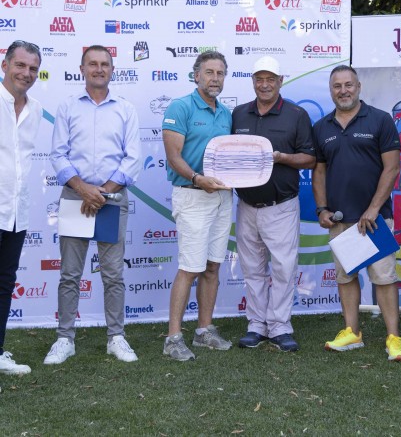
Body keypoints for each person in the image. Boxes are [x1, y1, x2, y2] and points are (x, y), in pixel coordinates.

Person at [44, 45, 141, 365]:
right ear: (82, 69)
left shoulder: (125, 109)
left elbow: (133, 158)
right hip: (76, 197)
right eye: (93, 64)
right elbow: (58, 154)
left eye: (105, 64)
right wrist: (84, 189)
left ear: (112, 70)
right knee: (70, 274)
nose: (99, 69)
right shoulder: (68, 106)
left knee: (113, 274)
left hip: (111, 199)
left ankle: (116, 337)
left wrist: (102, 192)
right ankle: (65, 338)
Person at [312, 65, 401, 361]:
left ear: (358, 87)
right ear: (331, 90)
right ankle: (352, 332)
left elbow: (392, 168)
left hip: (375, 220)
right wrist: (321, 208)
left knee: (384, 277)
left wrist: (373, 209)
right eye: (337, 86)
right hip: (340, 219)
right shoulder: (322, 127)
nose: (343, 90)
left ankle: (394, 338)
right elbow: (319, 171)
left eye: (348, 85)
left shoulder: (380, 119)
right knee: (345, 277)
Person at [232, 56, 316, 352]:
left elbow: (310, 158)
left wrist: (282, 157)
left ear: (281, 81)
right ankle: (256, 324)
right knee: (252, 268)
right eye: (259, 79)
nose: (264, 85)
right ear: (253, 81)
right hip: (246, 205)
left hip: (281, 205)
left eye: (270, 79)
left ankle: (280, 326)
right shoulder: (239, 114)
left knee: (283, 268)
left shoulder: (296, 114)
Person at [162, 51, 233, 361]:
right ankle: (173, 338)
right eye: (209, 72)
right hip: (192, 194)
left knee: (213, 265)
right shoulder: (181, 107)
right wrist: (197, 178)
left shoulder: (226, 113)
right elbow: (173, 156)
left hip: (222, 196)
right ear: (196, 76)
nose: (214, 78)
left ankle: (204, 331)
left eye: (220, 73)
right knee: (190, 268)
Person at [0, 41, 42, 375]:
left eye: (32, 68)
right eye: (20, 65)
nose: (26, 73)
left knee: (4, 284)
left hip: (16, 212)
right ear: (5, 65)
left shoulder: (36, 110)